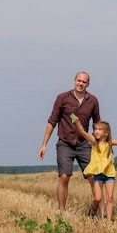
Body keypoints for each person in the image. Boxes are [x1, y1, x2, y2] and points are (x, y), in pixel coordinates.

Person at [38, 72, 100, 212]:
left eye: (84, 82)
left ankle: (98, 210)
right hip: (65, 143)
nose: (80, 84)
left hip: (84, 144)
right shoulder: (62, 98)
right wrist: (44, 145)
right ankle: (62, 213)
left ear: (88, 84)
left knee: (93, 177)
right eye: (79, 81)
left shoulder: (93, 101)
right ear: (74, 81)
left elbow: (97, 124)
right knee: (64, 177)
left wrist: (98, 144)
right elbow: (52, 121)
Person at [73, 116, 117, 220]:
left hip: (109, 174)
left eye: (99, 129)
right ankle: (93, 209)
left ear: (106, 133)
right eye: (95, 129)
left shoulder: (110, 143)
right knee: (98, 198)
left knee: (110, 198)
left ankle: (108, 221)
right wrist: (77, 122)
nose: (96, 131)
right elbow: (83, 133)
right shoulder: (94, 142)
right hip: (98, 175)